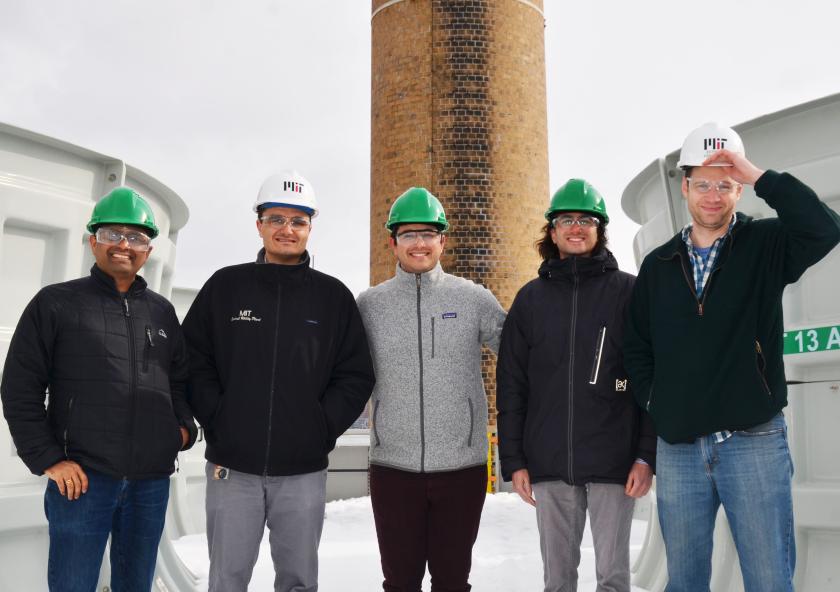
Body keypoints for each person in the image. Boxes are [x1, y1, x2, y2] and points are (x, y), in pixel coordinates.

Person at [623, 122, 840, 591]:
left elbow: (826, 228)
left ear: (740, 187)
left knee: (768, 579)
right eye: (703, 183)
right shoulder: (657, 265)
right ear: (685, 187)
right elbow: (637, 344)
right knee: (684, 583)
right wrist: (658, 402)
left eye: (726, 183)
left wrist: (759, 174)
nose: (713, 195)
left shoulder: (767, 245)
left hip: (754, 442)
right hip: (679, 449)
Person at [182, 170, 375, 592]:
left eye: (298, 221)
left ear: (310, 228)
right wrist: (217, 416)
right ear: (259, 224)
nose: (287, 230)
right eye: (276, 219)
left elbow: (356, 374)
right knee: (227, 579)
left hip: (303, 471)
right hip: (232, 469)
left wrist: (320, 427)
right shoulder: (225, 287)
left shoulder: (332, 297)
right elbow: (192, 359)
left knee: (298, 581)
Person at [0, 187, 197, 591]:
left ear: (148, 249)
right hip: (83, 481)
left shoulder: (162, 311)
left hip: (150, 481)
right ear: (93, 240)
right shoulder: (55, 304)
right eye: (112, 234)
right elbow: (20, 387)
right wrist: (50, 460)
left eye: (137, 237)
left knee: (136, 584)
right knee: (73, 584)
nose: (124, 245)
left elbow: (179, 381)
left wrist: (182, 430)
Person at [496, 179, 655, 592]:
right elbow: (512, 385)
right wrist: (514, 461)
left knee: (614, 578)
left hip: (614, 462)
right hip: (549, 462)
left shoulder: (630, 292)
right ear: (552, 231)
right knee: (558, 581)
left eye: (587, 220)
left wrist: (644, 454)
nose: (577, 228)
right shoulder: (530, 300)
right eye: (567, 220)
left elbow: (651, 379)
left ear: (600, 230)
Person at [356, 187, 506, 592]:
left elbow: (523, 355)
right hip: (393, 468)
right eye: (408, 234)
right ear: (393, 241)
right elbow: (340, 370)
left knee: (453, 581)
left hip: (463, 467)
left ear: (443, 239)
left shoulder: (474, 299)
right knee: (400, 582)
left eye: (428, 233)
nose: (418, 243)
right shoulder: (369, 305)